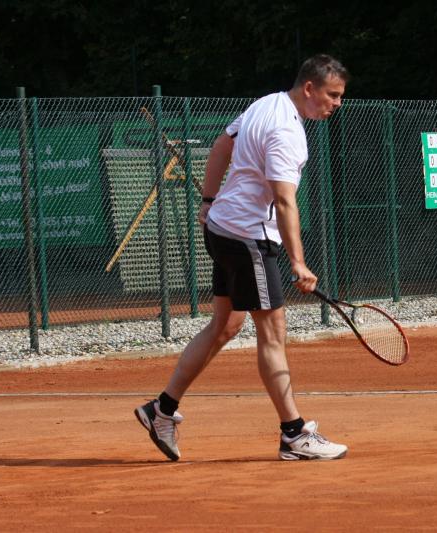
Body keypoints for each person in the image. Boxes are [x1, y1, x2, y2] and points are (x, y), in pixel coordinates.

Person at [135, 54, 350, 462]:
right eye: (333, 94)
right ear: (310, 88)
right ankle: (294, 435)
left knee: (225, 326)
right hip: (249, 237)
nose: (337, 103)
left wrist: (208, 200)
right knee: (273, 333)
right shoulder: (287, 132)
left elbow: (221, 145)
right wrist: (298, 262)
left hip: (221, 228)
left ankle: (161, 409)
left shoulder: (265, 103)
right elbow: (284, 201)